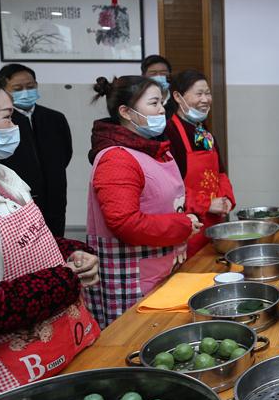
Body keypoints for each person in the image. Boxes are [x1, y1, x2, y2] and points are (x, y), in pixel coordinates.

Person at [0, 72, 100, 400]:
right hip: (5, 379)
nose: (14, 126)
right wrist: (64, 279)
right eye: (6, 117)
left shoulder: (1, 174)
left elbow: (29, 240)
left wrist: (75, 252)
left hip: (59, 349)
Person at [86, 75, 201, 327]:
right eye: (154, 103)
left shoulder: (152, 148)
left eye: (162, 102)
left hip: (159, 263)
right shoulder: (117, 158)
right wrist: (182, 225)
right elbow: (124, 223)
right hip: (133, 276)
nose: (162, 109)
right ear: (126, 112)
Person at [0, 64, 73, 237]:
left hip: (54, 192)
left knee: (56, 238)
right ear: (4, 90)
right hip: (17, 197)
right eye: (17, 88)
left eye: (30, 87)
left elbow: (66, 154)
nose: (25, 92)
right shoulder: (1, 122)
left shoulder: (55, 118)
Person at [164, 69, 236, 257]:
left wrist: (226, 197)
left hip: (213, 224)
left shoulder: (202, 130)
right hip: (189, 226)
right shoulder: (170, 132)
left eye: (208, 93)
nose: (206, 99)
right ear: (178, 97)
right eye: (199, 94)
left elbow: (220, 172)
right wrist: (206, 204)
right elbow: (170, 188)